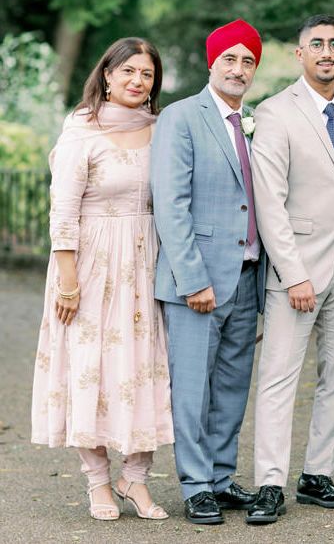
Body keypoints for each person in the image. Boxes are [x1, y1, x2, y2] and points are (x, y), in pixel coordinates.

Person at [31, 37, 173, 521]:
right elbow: (63, 212)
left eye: (147, 74)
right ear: (107, 75)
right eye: (129, 71)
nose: (138, 81)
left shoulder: (161, 129)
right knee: (90, 368)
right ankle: (97, 484)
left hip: (146, 263)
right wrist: (68, 283)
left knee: (143, 368)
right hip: (90, 266)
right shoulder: (81, 130)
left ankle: (135, 479)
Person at [247, 14, 334, 525]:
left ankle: (317, 473)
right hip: (296, 267)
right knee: (279, 375)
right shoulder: (276, 112)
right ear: (300, 54)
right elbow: (269, 200)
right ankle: (269, 483)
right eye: (316, 44)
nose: (326, 51)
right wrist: (292, 272)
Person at [151, 19, 266, 525]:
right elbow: (170, 204)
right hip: (197, 281)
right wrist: (192, 279)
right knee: (193, 389)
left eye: (248, 61)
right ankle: (196, 485)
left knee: (232, 386)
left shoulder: (255, 121)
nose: (238, 69)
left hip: (247, 276)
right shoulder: (181, 117)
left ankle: (221, 478)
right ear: (211, 62)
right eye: (230, 59)